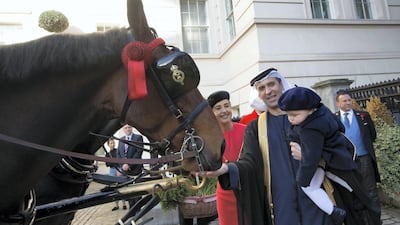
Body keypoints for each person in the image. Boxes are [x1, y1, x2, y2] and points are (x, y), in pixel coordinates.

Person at [278, 86, 357, 224]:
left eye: (295, 115)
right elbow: (340, 127)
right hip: (340, 156)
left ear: (310, 110)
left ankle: (333, 211)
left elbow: (310, 158)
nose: (290, 119)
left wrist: (301, 179)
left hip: (329, 160)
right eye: (288, 115)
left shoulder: (309, 129)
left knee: (309, 187)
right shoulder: (323, 112)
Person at [335, 89, 382, 223]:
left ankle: (375, 220)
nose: (348, 102)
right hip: (347, 161)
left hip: (364, 158)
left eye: (349, 100)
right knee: (353, 191)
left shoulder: (363, 115)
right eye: (344, 101)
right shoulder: (334, 118)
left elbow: (372, 135)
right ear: (338, 103)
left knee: (371, 191)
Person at [207, 90, 246, 225]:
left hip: (249, 191)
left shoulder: (247, 131)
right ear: (212, 113)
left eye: (226, 106)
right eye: (218, 108)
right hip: (225, 193)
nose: (224, 111)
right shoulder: (209, 139)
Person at [117, 124, 144, 209]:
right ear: (123, 130)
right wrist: (122, 166)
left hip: (136, 170)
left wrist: (129, 164)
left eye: (129, 127)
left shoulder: (138, 138)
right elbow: (118, 154)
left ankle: (138, 210)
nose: (128, 129)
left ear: (132, 128)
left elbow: (138, 152)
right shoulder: (121, 140)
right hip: (125, 171)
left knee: (137, 191)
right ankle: (132, 210)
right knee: (128, 192)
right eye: (126, 128)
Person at [105, 138, 122, 211]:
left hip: (118, 169)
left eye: (113, 143)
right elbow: (107, 164)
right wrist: (112, 162)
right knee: (114, 187)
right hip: (112, 171)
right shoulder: (107, 154)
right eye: (111, 143)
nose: (112, 144)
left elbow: (119, 161)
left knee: (121, 186)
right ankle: (117, 205)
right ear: (108, 145)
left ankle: (124, 204)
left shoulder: (117, 151)